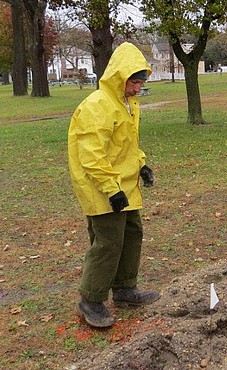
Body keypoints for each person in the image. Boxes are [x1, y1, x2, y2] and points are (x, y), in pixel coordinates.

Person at [67, 42, 159, 328]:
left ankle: (125, 289)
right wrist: (111, 189)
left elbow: (128, 144)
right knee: (108, 242)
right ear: (120, 76)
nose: (137, 89)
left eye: (141, 82)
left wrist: (141, 164)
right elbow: (91, 154)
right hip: (101, 186)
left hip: (125, 184)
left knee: (132, 234)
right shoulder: (97, 105)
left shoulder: (128, 104)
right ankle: (91, 300)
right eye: (134, 81)